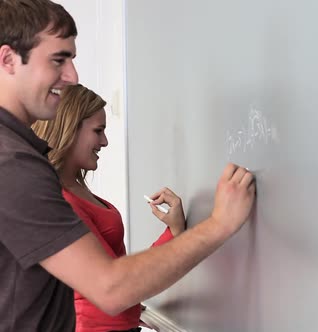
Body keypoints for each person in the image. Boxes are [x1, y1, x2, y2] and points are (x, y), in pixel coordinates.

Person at [0, 0, 256, 330]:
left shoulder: (19, 156)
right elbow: (110, 287)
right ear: (8, 60)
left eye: (72, 60)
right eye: (58, 60)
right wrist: (220, 224)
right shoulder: (13, 166)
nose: (72, 75)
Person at [32, 83, 186, 331]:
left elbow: (119, 273)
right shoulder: (62, 200)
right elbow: (116, 284)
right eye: (98, 130)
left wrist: (173, 233)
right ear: (70, 129)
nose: (104, 141)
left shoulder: (75, 191)